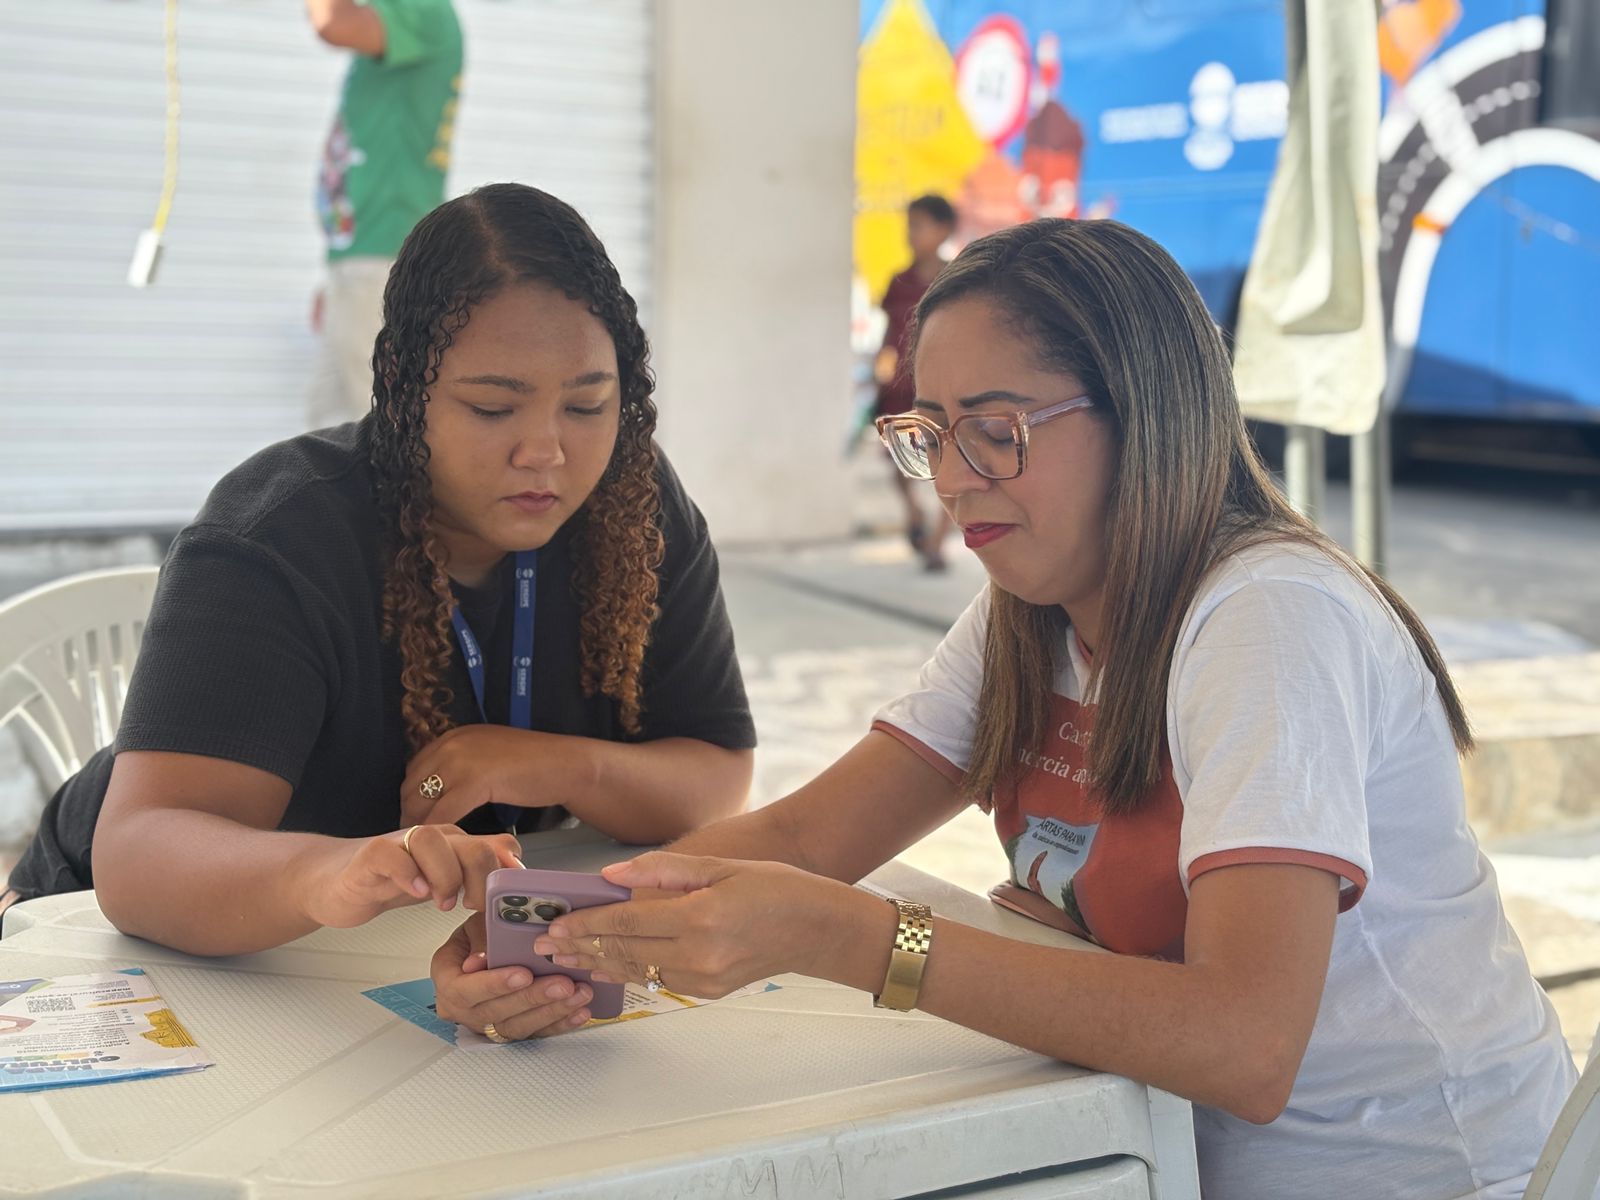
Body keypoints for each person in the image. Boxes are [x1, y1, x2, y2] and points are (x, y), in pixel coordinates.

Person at [433, 218, 1576, 1197]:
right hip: (1160, 1155)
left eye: (996, 429)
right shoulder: (1029, 610)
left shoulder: (1266, 618)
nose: (956, 477)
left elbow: (1242, 1043)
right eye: (931, 433)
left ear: (1143, 413)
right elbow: (799, 841)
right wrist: (529, 932)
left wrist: (849, 937)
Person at [2, 185, 756, 974]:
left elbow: (715, 777)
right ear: (403, 385)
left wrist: (540, 760)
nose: (546, 452)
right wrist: (331, 871)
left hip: (385, 953)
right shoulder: (279, 534)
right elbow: (141, 859)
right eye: (493, 408)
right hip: (117, 946)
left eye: (588, 404)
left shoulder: (631, 508)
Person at [306, 0, 463, 428]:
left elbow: (332, 22)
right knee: (331, 435)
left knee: (373, 435)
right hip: (364, 257)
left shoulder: (423, 11)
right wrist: (338, 270)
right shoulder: (398, 19)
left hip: (381, 260)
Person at [873, 194, 958, 571]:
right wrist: (882, 368)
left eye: (919, 225)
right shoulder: (899, 282)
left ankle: (937, 543)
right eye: (909, 225)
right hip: (902, 388)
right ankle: (915, 516)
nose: (911, 234)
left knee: (949, 462)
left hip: (943, 387)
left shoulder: (957, 280)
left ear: (944, 230)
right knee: (898, 458)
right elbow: (888, 335)